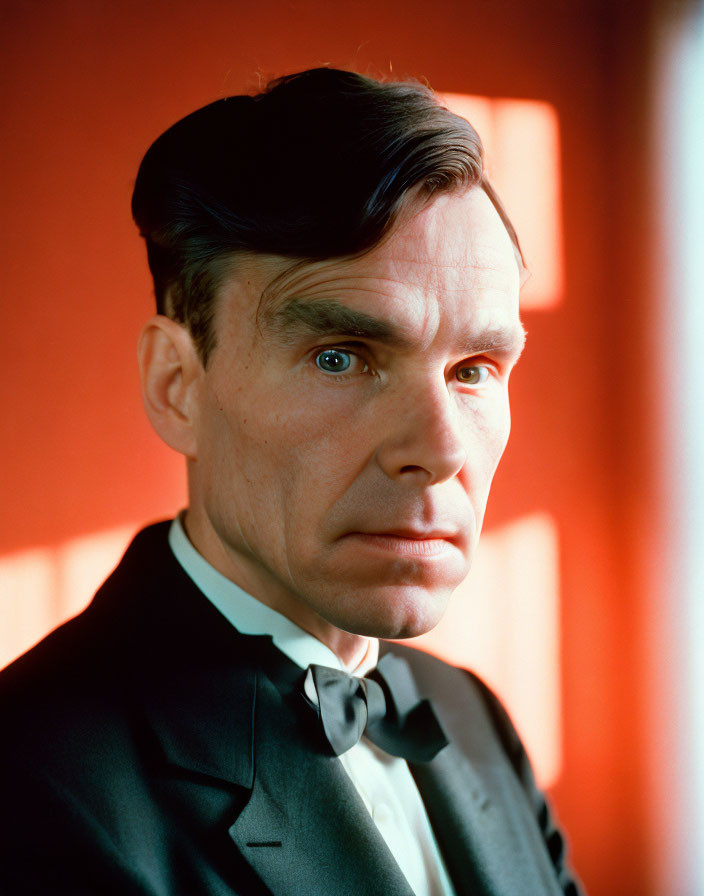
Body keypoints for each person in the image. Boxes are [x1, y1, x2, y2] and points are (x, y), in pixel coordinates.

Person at [0, 68, 583, 895]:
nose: (443, 450)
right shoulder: (33, 784)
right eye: (341, 356)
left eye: (476, 368)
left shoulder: (471, 717)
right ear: (178, 384)